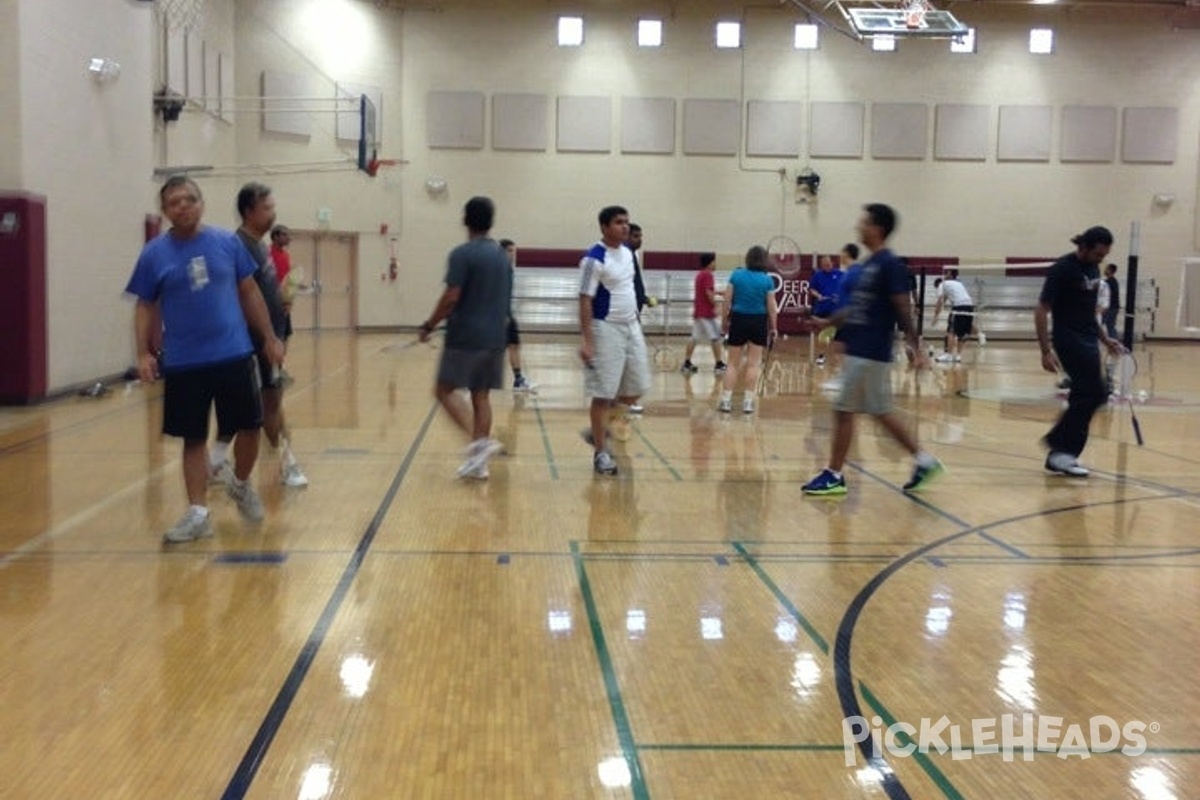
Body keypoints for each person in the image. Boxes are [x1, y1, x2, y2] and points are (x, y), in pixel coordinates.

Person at [125, 175, 284, 543]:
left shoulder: (227, 244)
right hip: (184, 362)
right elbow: (145, 305)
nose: (183, 206)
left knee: (248, 427)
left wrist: (269, 337)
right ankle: (198, 512)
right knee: (193, 438)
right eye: (174, 202)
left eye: (189, 199)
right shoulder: (154, 255)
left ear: (202, 203)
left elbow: (249, 293)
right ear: (165, 211)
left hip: (234, 353)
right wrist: (143, 352)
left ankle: (241, 484)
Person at [802, 203, 944, 496]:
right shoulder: (867, 266)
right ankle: (924, 460)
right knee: (880, 412)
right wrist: (826, 322)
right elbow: (854, 307)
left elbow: (902, 307)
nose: (859, 227)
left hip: (871, 350)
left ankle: (834, 474)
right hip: (861, 349)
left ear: (878, 228)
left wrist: (915, 347)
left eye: (864, 222)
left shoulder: (890, 264)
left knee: (844, 409)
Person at [209, 183, 308, 489]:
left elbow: (259, 294)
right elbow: (239, 297)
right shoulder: (237, 246)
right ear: (249, 211)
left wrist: (281, 298)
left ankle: (214, 463)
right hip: (253, 344)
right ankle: (288, 463)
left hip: (268, 340)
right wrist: (267, 339)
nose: (273, 213)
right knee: (269, 405)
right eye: (267, 208)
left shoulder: (259, 247)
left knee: (249, 409)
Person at [419, 196, 513, 480]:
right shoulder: (502, 257)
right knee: (480, 395)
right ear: (491, 221)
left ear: (465, 219)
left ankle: (479, 444)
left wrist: (429, 325)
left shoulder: (462, 254)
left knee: (443, 390)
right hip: (496, 337)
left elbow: (451, 296)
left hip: (466, 337)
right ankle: (478, 464)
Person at [1035, 226, 1125, 476]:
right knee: (1095, 393)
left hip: (1088, 339)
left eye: (1103, 255)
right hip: (1068, 339)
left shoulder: (1093, 269)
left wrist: (1106, 340)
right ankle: (1061, 447)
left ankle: (1061, 453)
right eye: (1097, 254)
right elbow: (1041, 309)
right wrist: (1045, 350)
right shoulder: (1062, 269)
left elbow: (1089, 312)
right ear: (1083, 247)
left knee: (1086, 395)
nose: (1101, 259)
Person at [579, 205, 652, 476]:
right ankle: (601, 452)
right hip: (604, 328)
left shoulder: (629, 255)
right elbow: (585, 300)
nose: (625, 227)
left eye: (627, 222)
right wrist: (587, 340)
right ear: (604, 227)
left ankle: (600, 426)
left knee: (637, 387)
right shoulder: (593, 259)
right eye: (619, 222)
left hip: (631, 326)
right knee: (603, 393)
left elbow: (629, 288)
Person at [717, 245, 778, 415]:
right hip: (758, 322)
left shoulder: (737, 275)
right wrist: (774, 327)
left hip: (738, 320)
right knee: (753, 364)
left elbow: (726, 301)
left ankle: (726, 401)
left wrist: (724, 322)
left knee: (732, 364)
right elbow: (771, 307)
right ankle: (748, 402)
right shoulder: (767, 280)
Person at [498, 239, 536, 393]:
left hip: (506, 314)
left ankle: (518, 380)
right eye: (511, 251)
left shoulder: (508, 269)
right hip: (500, 315)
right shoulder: (500, 270)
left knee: (514, 346)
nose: (514, 255)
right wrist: (503, 314)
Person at [680, 252, 726, 375]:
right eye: (714, 261)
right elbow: (708, 292)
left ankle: (687, 364)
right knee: (716, 338)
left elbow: (708, 290)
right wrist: (715, 305)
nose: (715, 264)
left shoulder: (700, 274)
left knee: (694, 338)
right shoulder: (708, 275)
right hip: (706, 314)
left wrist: (719, 293)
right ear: (710, 263)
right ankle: (719, 365)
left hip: (699, 313)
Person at [622, 223, 651, 414]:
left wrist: (644, 298)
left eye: (640, 236)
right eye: (635, 236)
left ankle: (624, 400)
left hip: (633, 313)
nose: (639, 240)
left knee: (631, 359)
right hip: (627, 316)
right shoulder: (624, 256)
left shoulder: (631, 255)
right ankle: (626, 401)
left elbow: (636, 284)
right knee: (631, 359)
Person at [931, 268, 975, 363]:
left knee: (951, 332)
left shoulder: (943, 284)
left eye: (945, 272)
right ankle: (958, 356)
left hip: (959, 307)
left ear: (949, 273)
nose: (943, 274)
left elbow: (940, 302)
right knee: (962, 334)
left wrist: (935, 316)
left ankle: (948, 355)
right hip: (970, 307)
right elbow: (945, 299)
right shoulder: (959, 283)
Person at [809, 254, 844, 366]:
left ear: (832, 263)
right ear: (821, 265)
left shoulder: (840, 274)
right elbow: (811, 289)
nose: (827, 266)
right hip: (823, 310)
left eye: (828, 264)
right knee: (824, 335)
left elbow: (847, 288)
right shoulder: (817, 276)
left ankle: (839, 359)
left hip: (837, 311)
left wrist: (841, 297)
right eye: (824, 265)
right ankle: (821, 357)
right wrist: (818, 295)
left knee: (839, 337)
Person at [1103, 262, 1120, 340]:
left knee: (1110, 326)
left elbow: (1110, 296)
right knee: (1109, 325)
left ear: (1110, 270)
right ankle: (1114, 344)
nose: (1104, 270)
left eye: (1106, 268)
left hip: (1111, 308)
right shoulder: (1110, 281)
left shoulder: (1111, 282)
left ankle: (1115, 345)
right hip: (1111, 308)